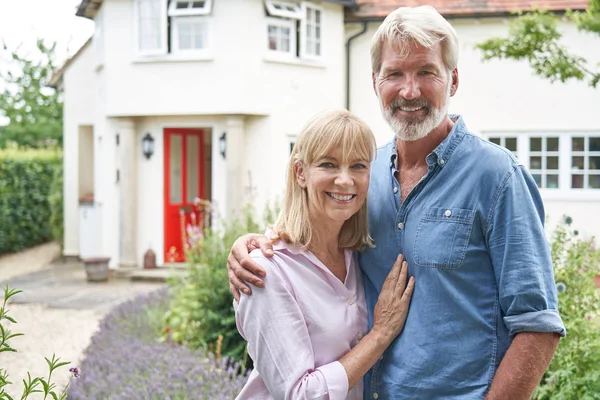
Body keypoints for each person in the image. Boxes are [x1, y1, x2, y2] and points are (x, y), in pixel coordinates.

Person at [228, 5, 566, 400]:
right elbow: (310, 243)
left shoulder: (497, 177)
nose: (410, 90)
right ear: (375, 82)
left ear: (452, 80)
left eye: (426, 72)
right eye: (395, 74)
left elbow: (537, 325)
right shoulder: (362, 175)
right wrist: (251, 245)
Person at [234, 109, 415, 399]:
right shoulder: (266, 271)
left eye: (357, 166)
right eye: (328, 165)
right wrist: (380, 334)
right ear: (300, 173)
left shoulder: (358, 256)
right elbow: (300, 394)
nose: (345, 180)